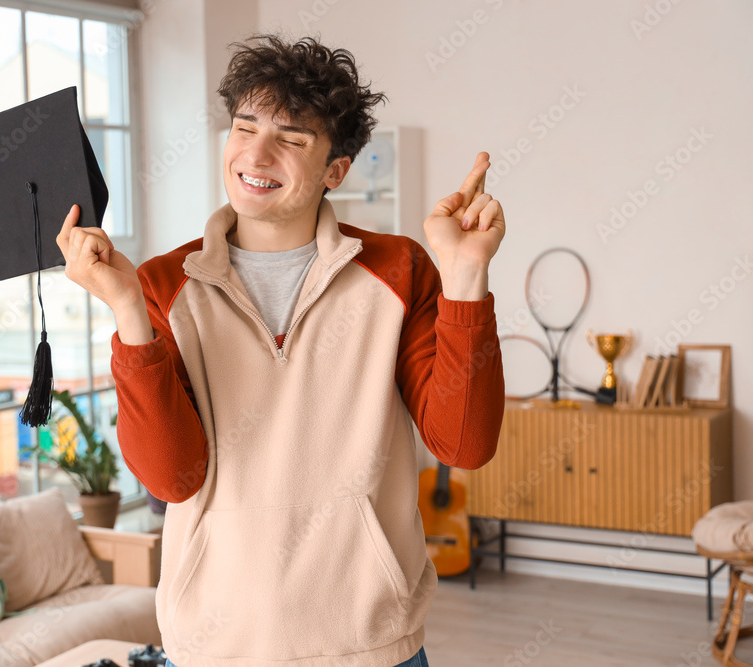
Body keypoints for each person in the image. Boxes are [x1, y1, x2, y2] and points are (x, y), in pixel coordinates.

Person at [56, 32, 506, 667]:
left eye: (291, 139)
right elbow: (172, 475)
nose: (256, 153)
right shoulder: (161, 284)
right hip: (217, 646)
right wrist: (128, 310)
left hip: (372, 646)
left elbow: (464, 444)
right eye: (244, 127)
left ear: (335, 170)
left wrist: (464, 280)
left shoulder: (400, 271)